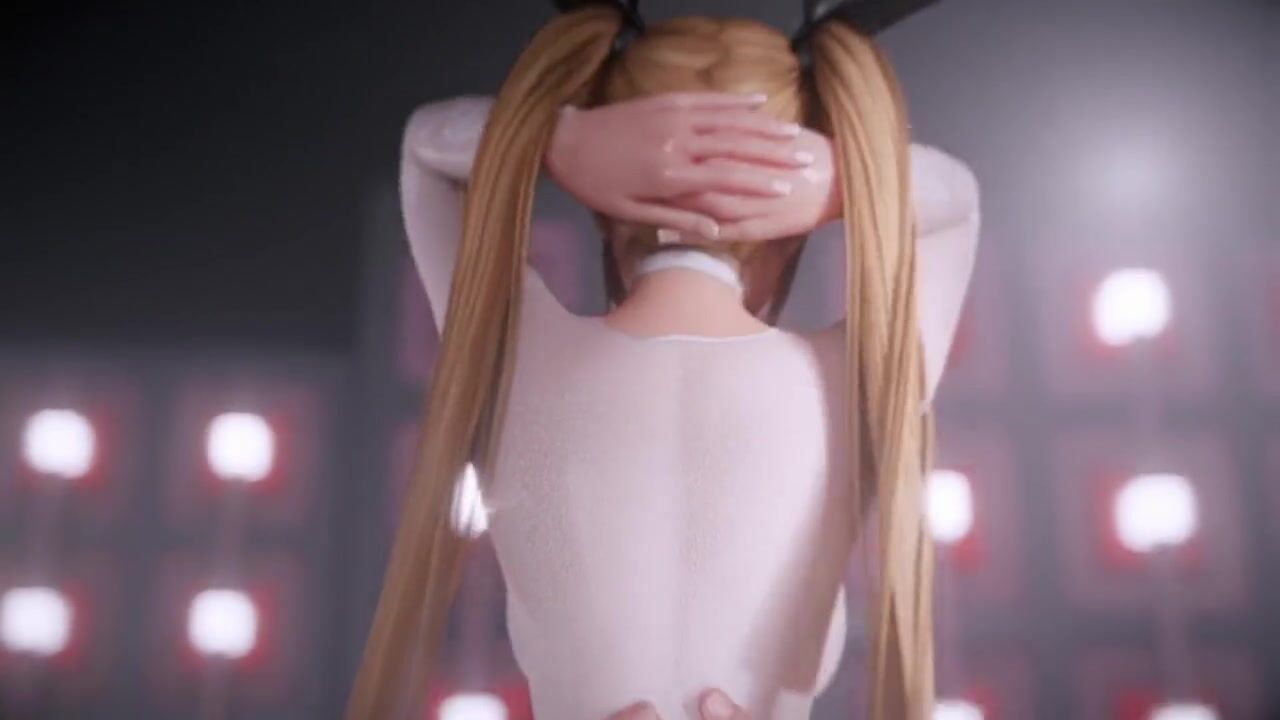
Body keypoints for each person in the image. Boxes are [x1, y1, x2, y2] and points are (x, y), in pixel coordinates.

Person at [348, 2, 979, 718]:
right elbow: (954, 206)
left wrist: (557, 140)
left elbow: (429, 152)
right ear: (790, 232)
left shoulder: (511, 353)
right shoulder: (861, 380)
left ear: (605, 209)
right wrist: (842, 176)